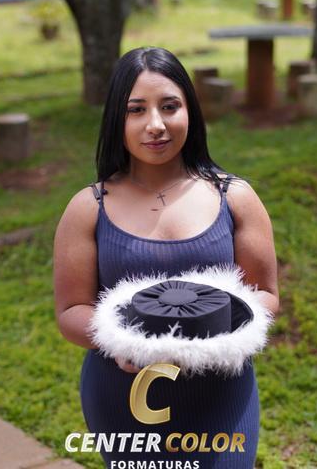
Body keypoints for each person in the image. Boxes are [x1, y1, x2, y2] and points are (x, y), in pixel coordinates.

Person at [53, 46, 279, 468]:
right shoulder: (88, 208)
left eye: (170, 106)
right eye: (136, 110)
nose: (155, 124)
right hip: (125, 398)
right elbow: (70, 310)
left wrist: (211, 339)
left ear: (190, 110)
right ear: (116, 119)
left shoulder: (235, 198)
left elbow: (265, 294)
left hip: (221, 396)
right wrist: (124, 345)